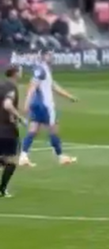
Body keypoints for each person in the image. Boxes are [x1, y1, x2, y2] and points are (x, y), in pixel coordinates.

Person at [19, 50, 77, 167]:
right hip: (45, 105)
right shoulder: (41, 70)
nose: (52, 57)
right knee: (53, 130)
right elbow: (32, 87)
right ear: (44, 56)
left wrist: (69, 96)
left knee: (33, 129)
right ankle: (60, 157)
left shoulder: (43, 69)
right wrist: (26, 103)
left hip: (37, 105)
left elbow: (53, 86)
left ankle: (23, 156)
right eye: (49, 55)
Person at [1, 65, 25, 197]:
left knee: (4, 158)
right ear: (15, 74)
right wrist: (20, 118)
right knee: (12, 160)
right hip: (7, 130)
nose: (22, 74)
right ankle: (2, 190)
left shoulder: (1, 85)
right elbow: (7, 105)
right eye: (20, 71)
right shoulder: (11, 88)